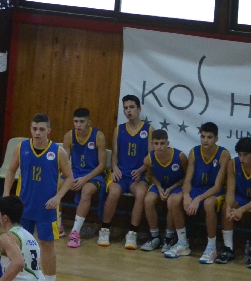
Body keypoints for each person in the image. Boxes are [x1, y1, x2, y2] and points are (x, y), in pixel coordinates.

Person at [4, 114, 74, 281]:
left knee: (47, 247)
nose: (37, 132)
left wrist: (58, 197)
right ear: (30, 129)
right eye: (34, 129)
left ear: (48, 131)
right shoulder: (21, 148)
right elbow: (11, 171)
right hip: (23, 207)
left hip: (46, 209)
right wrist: (6, 194)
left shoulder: (58, 152)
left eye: (42, 129)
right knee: (19, 246)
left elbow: (69, 177)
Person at [99, 95, 151, 250]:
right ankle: (104, 229)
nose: (129, 111)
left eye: (132, 107)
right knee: (113, 192)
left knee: (141, 194)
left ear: (139, 109)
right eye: (126, 108)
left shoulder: (148, 129)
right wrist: (115, 168)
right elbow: (115, 155)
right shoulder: (119, 129)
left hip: (139, 174)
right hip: (121, 173)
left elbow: (151, 157)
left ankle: (132, 233)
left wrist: (141, 170)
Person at [173, 122, 229, 263]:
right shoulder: (194, 151)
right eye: (203, 137)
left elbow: (218, 186)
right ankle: (182, 243)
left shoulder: (223, 154)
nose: (205, 140)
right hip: (197, 188)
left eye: (209, 137)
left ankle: (211, 247)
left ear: (216, 139)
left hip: (214, 191)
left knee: (208, 204)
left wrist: (197, 199)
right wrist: (186, 195)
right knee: (174, 200)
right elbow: (188, 180)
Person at [218, 137, 251, 268]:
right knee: (227, 207)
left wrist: (241, 210)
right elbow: (230, 190)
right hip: (242, 195)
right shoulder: (233, 163)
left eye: (245, 155)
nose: (241, 158)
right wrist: (229, 207)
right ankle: (228, 249)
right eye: (239, 154)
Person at [61, 108, 107, 249]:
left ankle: (75, 232)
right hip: (74, 172)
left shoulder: (98, 136)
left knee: (86, 191)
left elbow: (102, 165)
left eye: (82, 121)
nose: (78, 125)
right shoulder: (69, 136)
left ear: (89, 122)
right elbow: (64, 163)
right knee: (54, 185)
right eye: (76, 121)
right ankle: (57, 223)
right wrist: (70, 178)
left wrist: (84, 179)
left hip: (93, 174)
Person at [140, 130, 187, 252]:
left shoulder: (180, 156)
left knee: (171, 201)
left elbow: (187, 177)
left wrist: (171, 188)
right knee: (148, 200)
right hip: (161, 185)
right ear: (152, 144)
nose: (159, 147)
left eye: (162, 143)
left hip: (177, 185)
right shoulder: (148, 159)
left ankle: (169, 237)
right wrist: (159, 187)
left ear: (167, 143)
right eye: (156, 143)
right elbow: (151, 175)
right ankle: (155, 237)